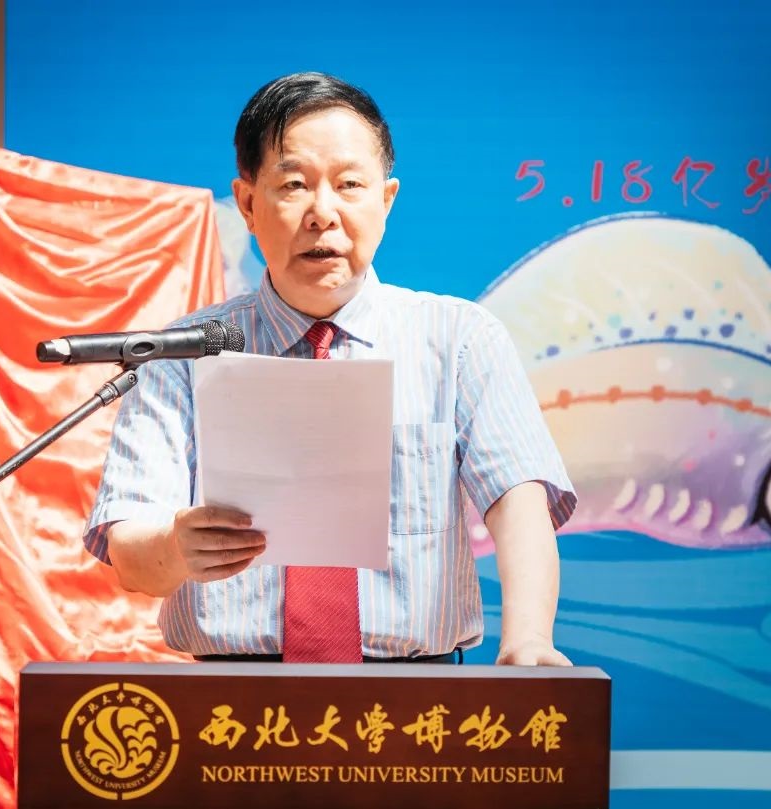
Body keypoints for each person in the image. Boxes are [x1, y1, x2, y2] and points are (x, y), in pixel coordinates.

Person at [83, 71, 576, 665]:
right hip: (230, 697)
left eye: (349, 185)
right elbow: (131, 554)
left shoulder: (460, 340)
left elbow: (518, 499)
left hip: (417, 694)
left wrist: (528, 639)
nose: (323, 213)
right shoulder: (184, 353)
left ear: (386, 200)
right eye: (294, 185)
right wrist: (176, 546)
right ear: (248, 204)